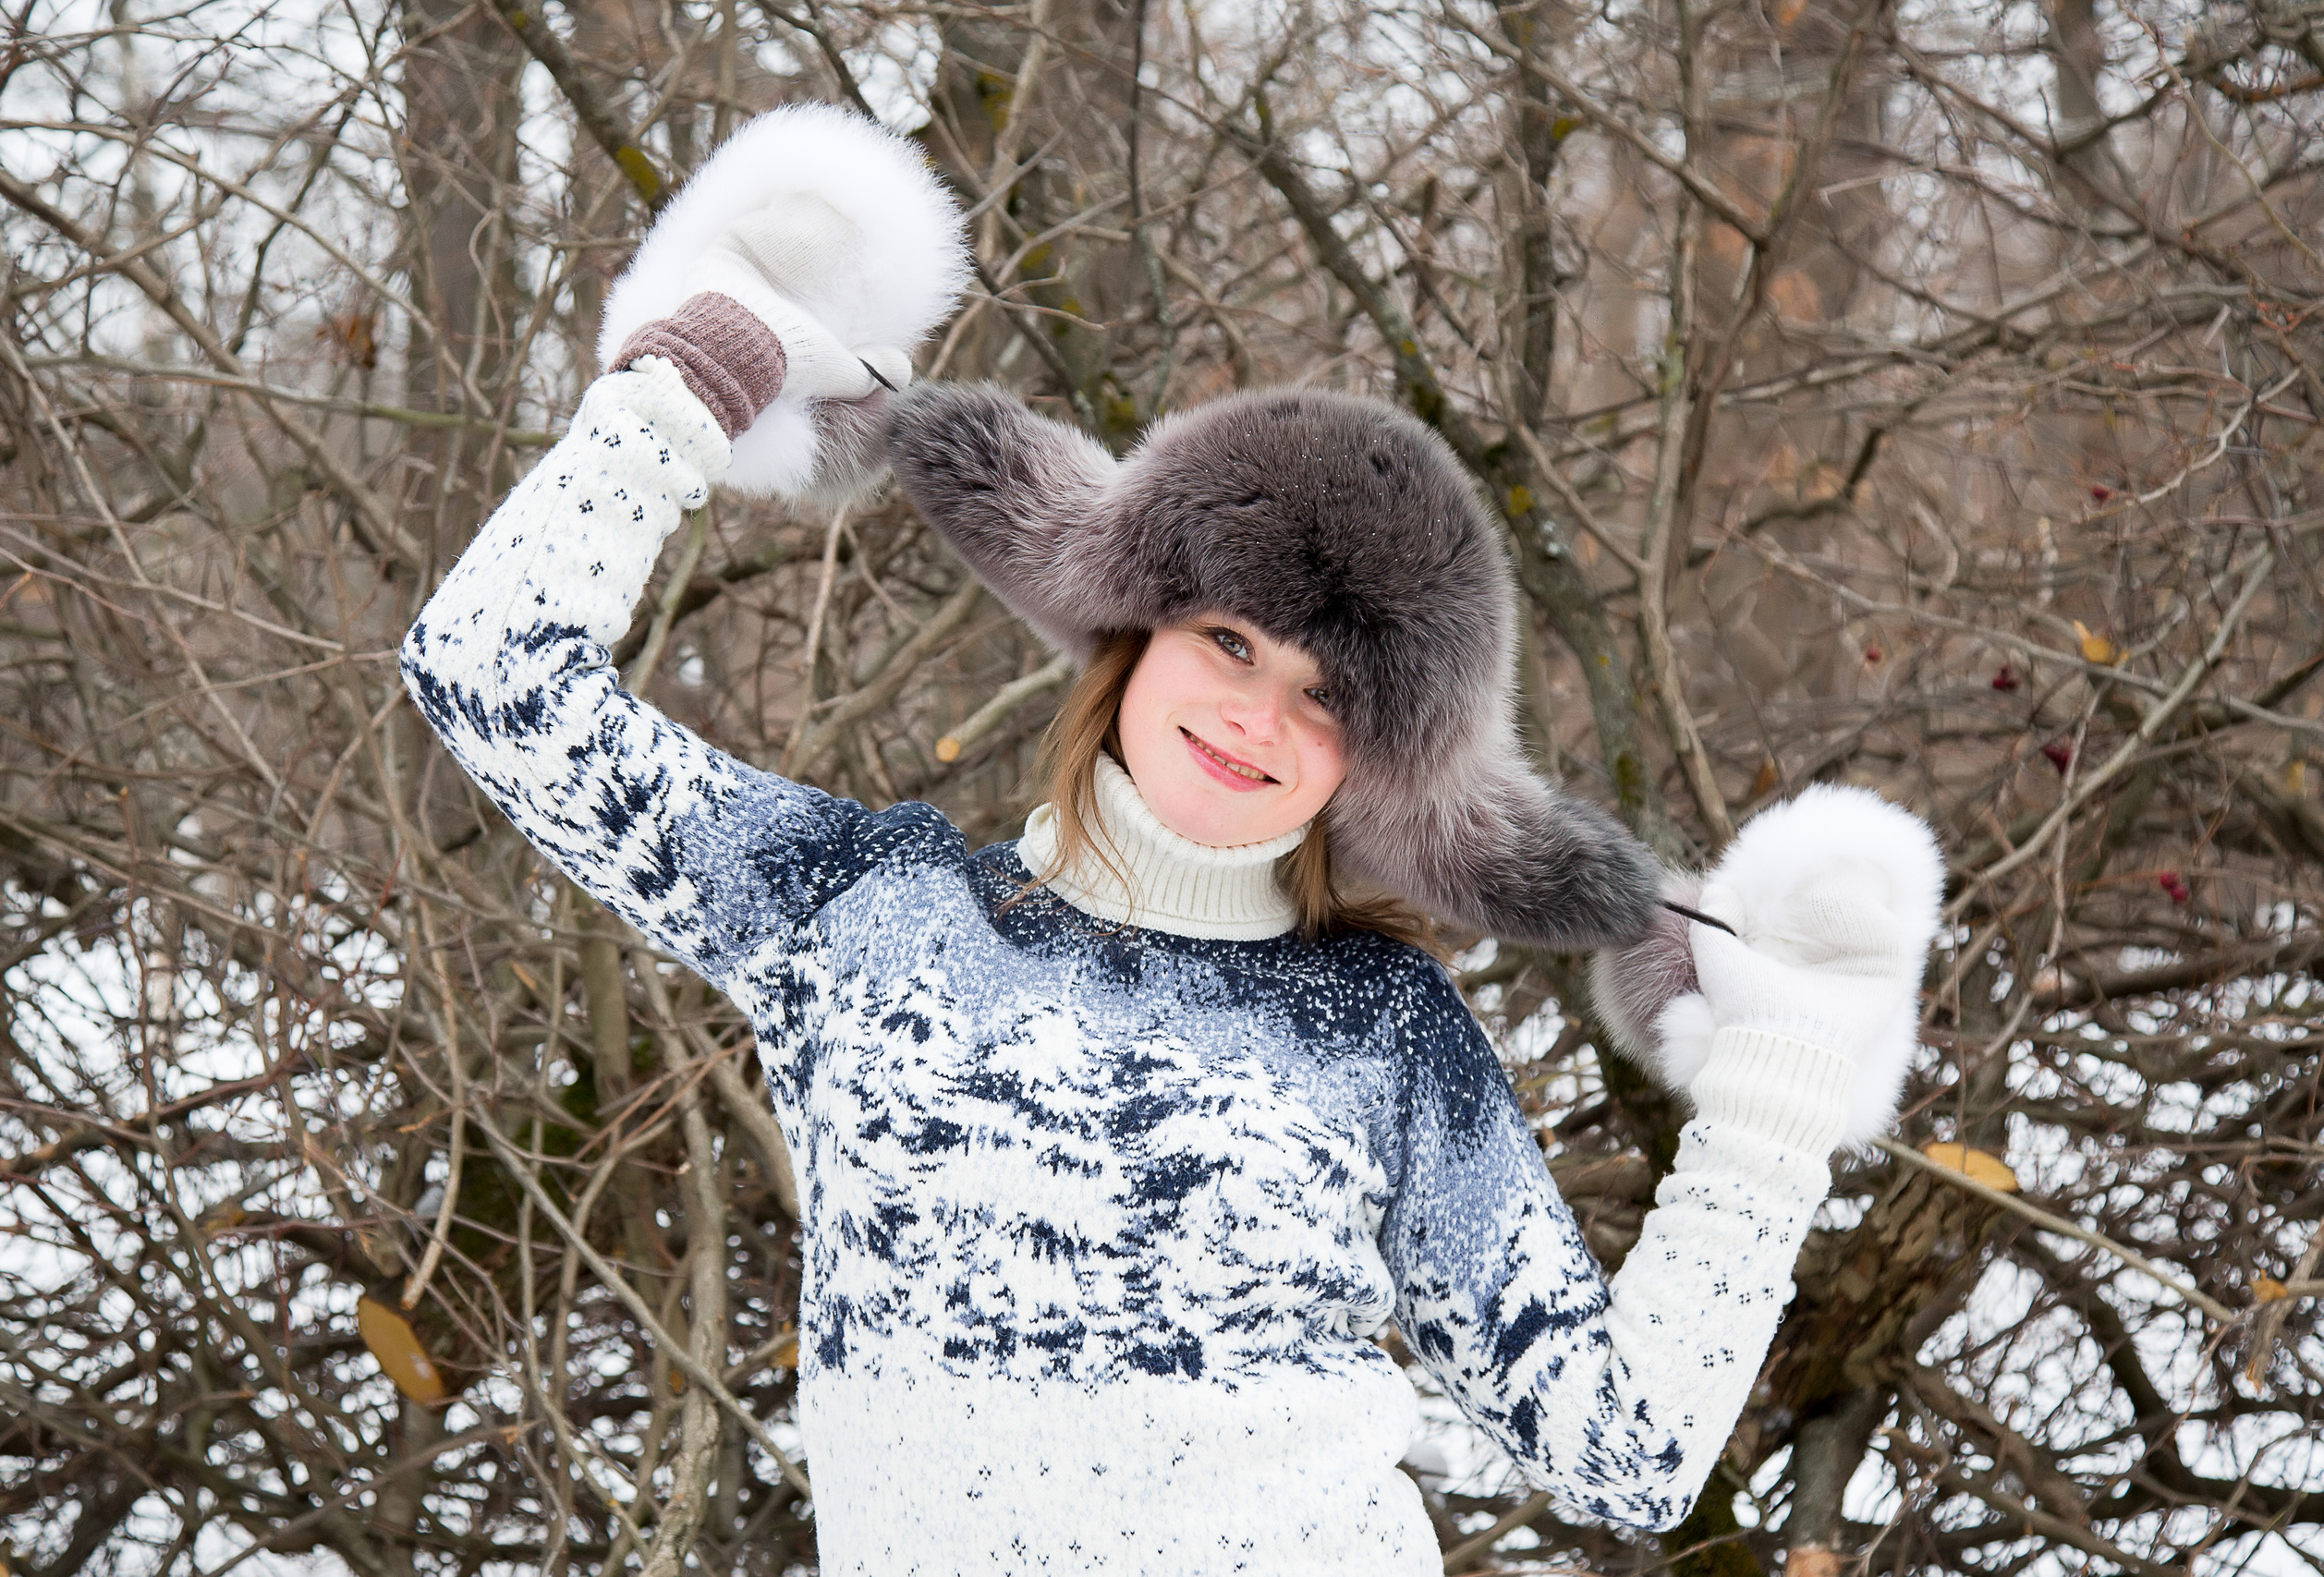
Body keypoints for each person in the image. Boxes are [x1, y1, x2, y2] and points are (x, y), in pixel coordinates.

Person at [401, 110, 1941, 1577]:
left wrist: (1773, 1100)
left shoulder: (1382, 1038)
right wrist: (690, 385)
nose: (1257, 716)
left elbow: (1628, 1455)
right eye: (1229, 639)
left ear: (1381, 771)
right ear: (1135, 631)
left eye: (1328, 698)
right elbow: (490, 673)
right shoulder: (867, 915)